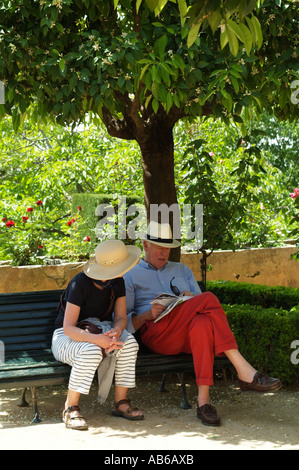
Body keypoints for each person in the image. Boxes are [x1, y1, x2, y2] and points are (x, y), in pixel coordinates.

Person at [124, 221, 282, 427]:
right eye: (159, 248)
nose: (164, 253)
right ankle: (244, 370)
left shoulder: (182, 269)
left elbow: (204, 311)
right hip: (158, 334)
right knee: (207, 298)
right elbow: (123, 321)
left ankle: (203, 402)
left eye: (168, 248)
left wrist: (188, 297)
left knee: (202, 323)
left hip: (186, 332)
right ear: (146, 245)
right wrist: (146, 314)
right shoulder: (130, 276)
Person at [52, 239, 144, 430]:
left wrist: (117, 332)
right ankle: (70, 408)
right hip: (66, 337)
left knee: (130, 343)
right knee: (91, 351)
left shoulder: (117, 281)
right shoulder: (79, 283)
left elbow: (120, 318)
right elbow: (68, 328)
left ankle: (121, 402)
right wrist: (97, 340)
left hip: (101, 331)